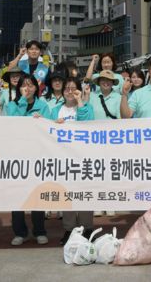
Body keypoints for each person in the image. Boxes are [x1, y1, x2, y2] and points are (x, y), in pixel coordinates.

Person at [33, 77, 94, 245]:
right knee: (67, 194)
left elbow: (87, 124)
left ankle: (87, 228)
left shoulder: (87, 107)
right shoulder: (55, 110)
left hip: (83, 158)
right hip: (63, 158)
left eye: (74, 88)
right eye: (67, 88)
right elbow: (46, 128)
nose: (69, 91)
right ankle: (69, 229)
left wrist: (80, 101)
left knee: (85, 194)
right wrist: (42, 120)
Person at [6, 73, 49, 245]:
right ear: (19, 88)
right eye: (24, 85)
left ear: (36, 88)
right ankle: (20, 232)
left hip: (37, 155)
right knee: (18, 195)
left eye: (31, 85)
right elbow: (14, 124)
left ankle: (39, 230)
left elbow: (49, 127)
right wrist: (23, 101)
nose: (28, 88)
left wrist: (43, 121)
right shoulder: (12, 105)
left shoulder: (42, 105)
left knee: (37, 194)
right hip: (17, 155)